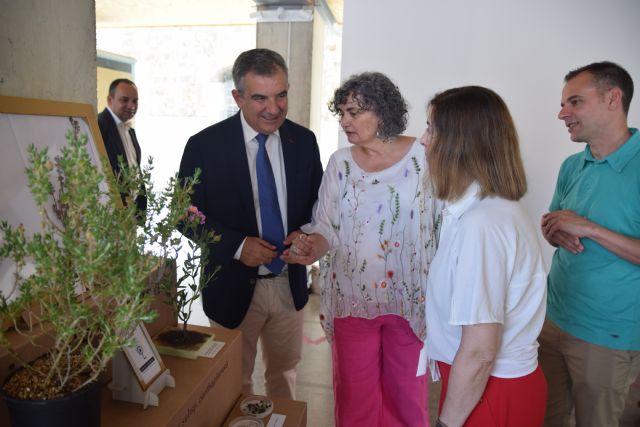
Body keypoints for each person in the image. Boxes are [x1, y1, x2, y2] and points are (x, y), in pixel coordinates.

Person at [283, 72, 440, 426]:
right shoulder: (340, 163)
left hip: (410, 301)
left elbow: (446, 222)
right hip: (352, 299)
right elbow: (326, 226)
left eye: (354, 113)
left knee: (407, 400)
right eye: (341, 113)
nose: (344, 121)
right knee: (355, 400)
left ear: (382, 113)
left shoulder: (424, 157)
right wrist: (311, 247)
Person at [177, 48, 323, 399]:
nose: (274, 109)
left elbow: (319, 206)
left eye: (281, 95)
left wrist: (306, 234)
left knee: (284, 375)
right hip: (231, 286)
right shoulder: (204, 146)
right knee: (233, 384)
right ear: (237, 97)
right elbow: (183, 215)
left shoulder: (303, 141)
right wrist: (238, 246)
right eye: (260, 98)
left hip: (289, 284)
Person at [423, 86, 548, 427]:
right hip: (482, 385)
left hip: (491, 390)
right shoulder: (481, 211)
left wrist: (446, 424)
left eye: (431, 128)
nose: (423, 140)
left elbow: (479, 352)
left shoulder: (483, 222)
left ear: (458, 142)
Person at [539, 61, 640, 427]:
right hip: (553, 320)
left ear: (613, 98)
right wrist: (554, 230)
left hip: (608, 336)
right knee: (546, 417)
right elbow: (556, 229)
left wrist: (591, 229)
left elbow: (582, 228)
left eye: (575, 102)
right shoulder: (572, 165)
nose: (562, 113)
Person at [97, 78, 146, 211]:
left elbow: (135, 169)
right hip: (110, 213)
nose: (132, 106)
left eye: (135, 101)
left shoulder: (130, 131)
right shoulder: (99, 125)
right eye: (124, 100)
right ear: (110, 100)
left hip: (131, 213)